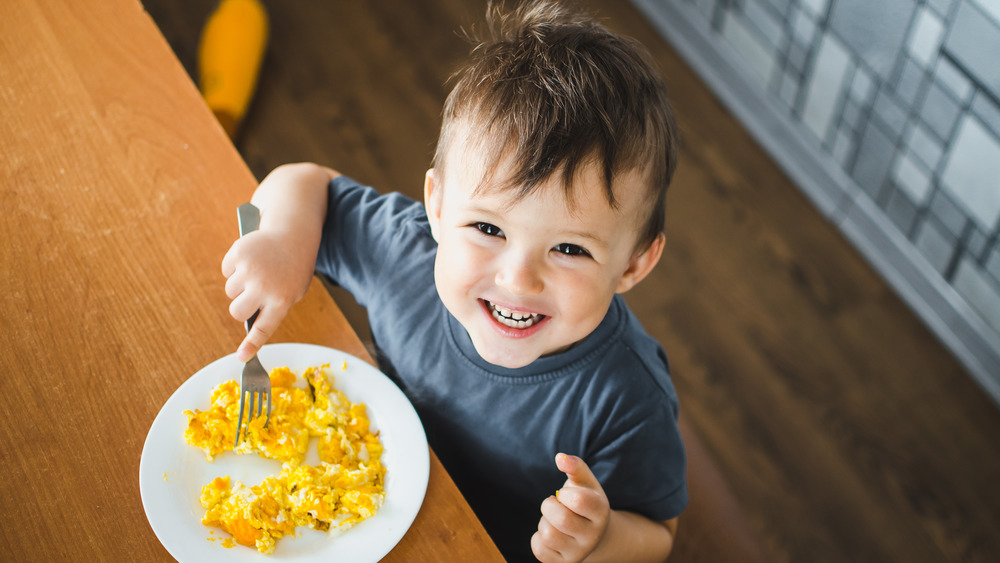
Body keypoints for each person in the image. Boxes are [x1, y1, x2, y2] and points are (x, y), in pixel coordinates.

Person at [221, 1, 687, 560]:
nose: (517, 277)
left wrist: (602, 538)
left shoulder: (627, 398)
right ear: (437, 207)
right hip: (357, 510)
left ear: (634, 264)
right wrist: (282, 242)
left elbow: (658, 533)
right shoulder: (407, 254)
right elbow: (306, 182)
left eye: (569, 248)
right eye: (488, 227)